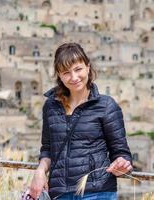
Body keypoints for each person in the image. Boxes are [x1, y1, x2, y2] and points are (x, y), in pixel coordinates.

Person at [29, 43, 133, 200]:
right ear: (59, 75)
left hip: (97, 192)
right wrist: (40, 171)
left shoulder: (106, 106)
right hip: (60, 193)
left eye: (78, 69)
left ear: (88, 67)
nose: (74, 77)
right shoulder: (51, 106)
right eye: (66, 72)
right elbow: (48, 149)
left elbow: (121, 153)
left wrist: (121, 165)